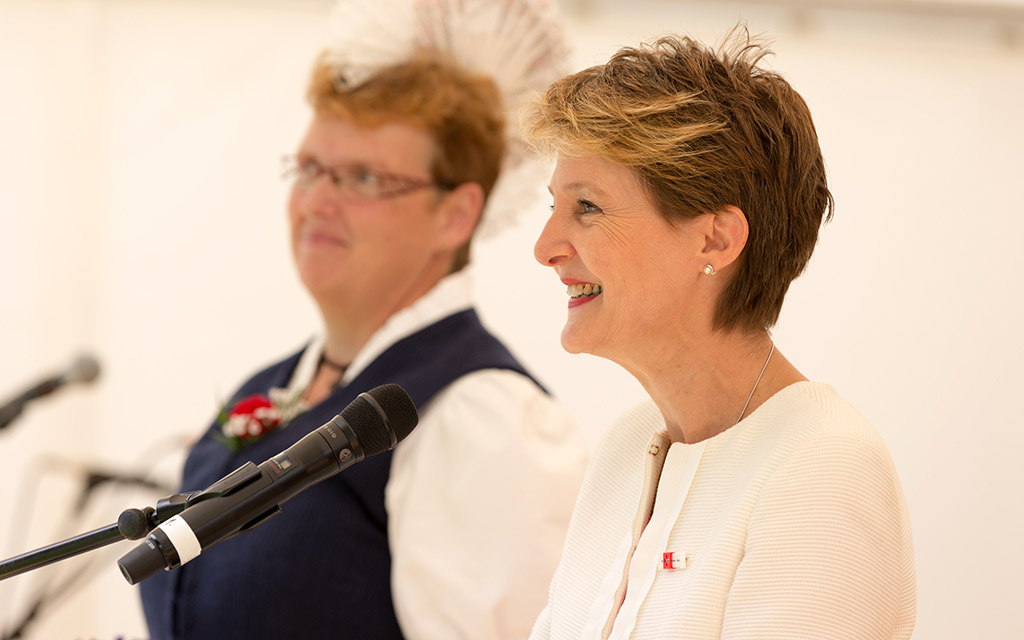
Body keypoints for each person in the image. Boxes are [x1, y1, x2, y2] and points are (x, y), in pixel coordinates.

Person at [137, 9, 587, 640]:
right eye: (311, 169)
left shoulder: (479, 417)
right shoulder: (269, 385)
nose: (317, 201)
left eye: (364, 178)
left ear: (455, 214)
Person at [526, 30, 916, 639]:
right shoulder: (625, 449)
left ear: (717, 239)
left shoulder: (823, 465)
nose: (545, 248)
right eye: (553, 207)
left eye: (588, 208)